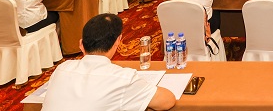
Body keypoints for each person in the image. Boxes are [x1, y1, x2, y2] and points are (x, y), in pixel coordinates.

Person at [42, 13, 176, 111]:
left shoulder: (61, 69)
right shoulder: (123, 78)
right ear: (118, 41)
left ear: (81, 44)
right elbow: (167, 101)